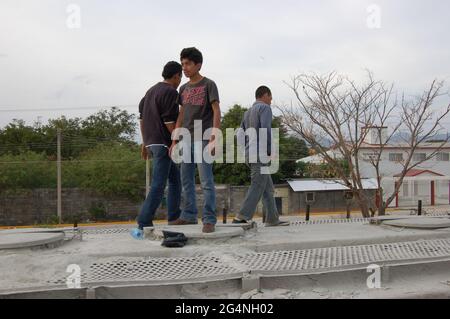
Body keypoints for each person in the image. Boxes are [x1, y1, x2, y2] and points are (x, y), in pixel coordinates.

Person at [169, 47, 221, 233]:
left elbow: (216, 111)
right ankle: (189, 215)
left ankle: (209, 219)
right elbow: (181, 115)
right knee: (186, 180)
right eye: (183, 64)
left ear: (198, 64)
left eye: (188, 64)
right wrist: (174, 141)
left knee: (206, 181)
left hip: (203, 138)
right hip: (185, 139)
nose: (185, 68)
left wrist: (215, 136)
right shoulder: (183, 88)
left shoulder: (209, 84)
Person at [130, 61, 183, 240]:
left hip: (153, 142)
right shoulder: (170, 92)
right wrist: (178, 139)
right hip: (163, 143)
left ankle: (174, 216)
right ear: (176, 76)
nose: (179, 81)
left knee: (175, 180)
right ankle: (144, 220)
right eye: (179, 77)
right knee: (159, 185)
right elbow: (169, 122)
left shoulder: (150, 91)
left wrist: (145, 143)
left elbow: (143, 119)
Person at [233, 86, 290, 227]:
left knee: (268, 188)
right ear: (265, 95)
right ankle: (241, 216)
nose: (271, 100)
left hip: (249, 154)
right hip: (259, 154)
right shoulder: (264, 108)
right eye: (270, 97)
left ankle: (272, 219)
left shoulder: (247, 113)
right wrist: (270, 149)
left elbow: (239, 134)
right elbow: (266, 129)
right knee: (257, 185)